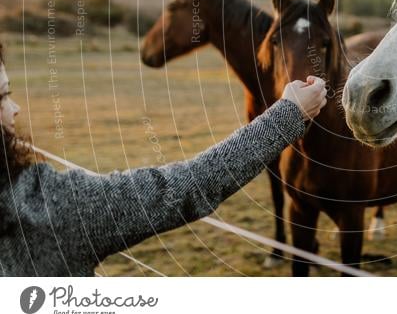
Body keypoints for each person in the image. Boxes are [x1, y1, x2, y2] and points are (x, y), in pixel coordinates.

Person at [0, 42, 326, 276]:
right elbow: (182, 188)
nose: (15, 109)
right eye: (3, 96)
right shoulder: (40, 209)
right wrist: (288, 114)